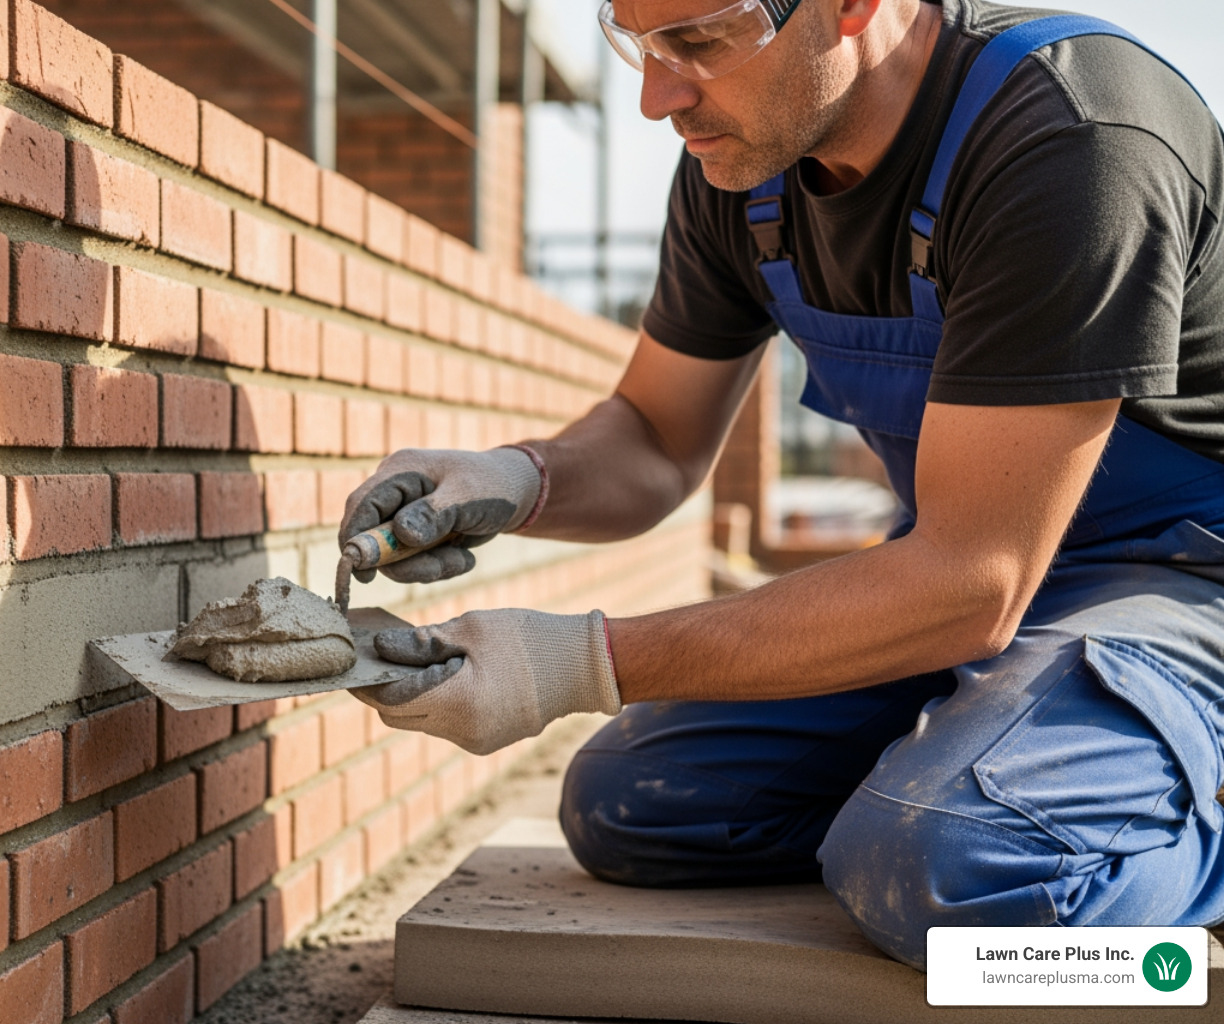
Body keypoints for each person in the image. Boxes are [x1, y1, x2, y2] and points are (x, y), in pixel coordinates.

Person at [338, 0, 1224, 969]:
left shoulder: (1068, 137)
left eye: (700, 41)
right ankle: (1015, 776)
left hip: (1177, 586)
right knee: (633, 804)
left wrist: (573, 663)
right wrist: (517, 477)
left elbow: (975, 579)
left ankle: (1152, 822)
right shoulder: (745, 163)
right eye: (637, 43)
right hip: (970, 578)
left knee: (958, 871)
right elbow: (655, 435)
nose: (656, 97)